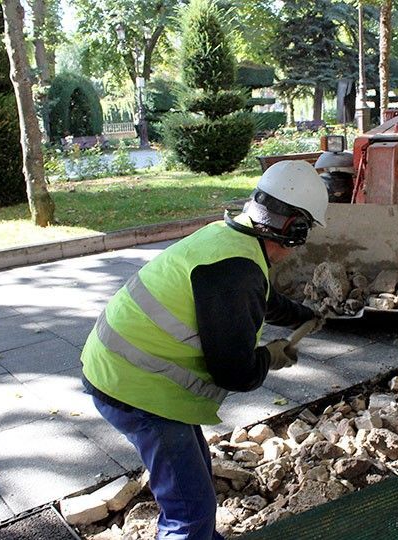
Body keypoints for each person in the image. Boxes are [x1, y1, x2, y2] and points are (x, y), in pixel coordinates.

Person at [80, 160, 329, 540]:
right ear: (294, 229)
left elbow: (258, 297)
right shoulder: (236, 270)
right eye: (306, 229)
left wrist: (303, 316)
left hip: (121, 367)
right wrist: (271, 356)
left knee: (193, 483)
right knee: (190, 512)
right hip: (136, 388)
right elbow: (234, 371)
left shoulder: (230, 239)